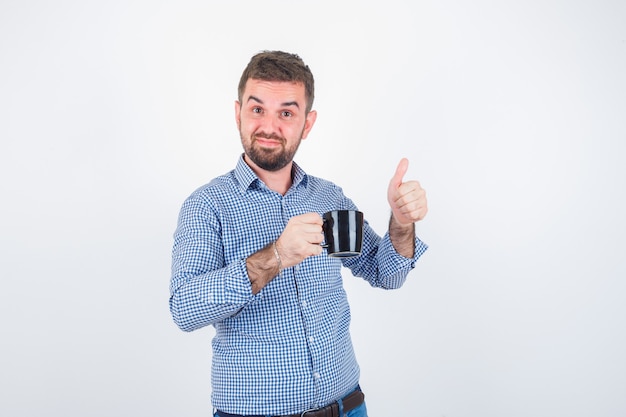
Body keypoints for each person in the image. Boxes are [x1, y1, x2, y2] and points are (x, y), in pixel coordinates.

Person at [170, 50, 428, 417]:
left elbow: (386, 273)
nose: (269, 126)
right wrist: (275, 256)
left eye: (286, 113)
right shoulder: (207, 206)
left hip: (347, 407)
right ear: (237, 113)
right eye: (257, 109)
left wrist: (401, 223)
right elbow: (184, 308)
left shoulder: (328, 198)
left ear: (307, 124)